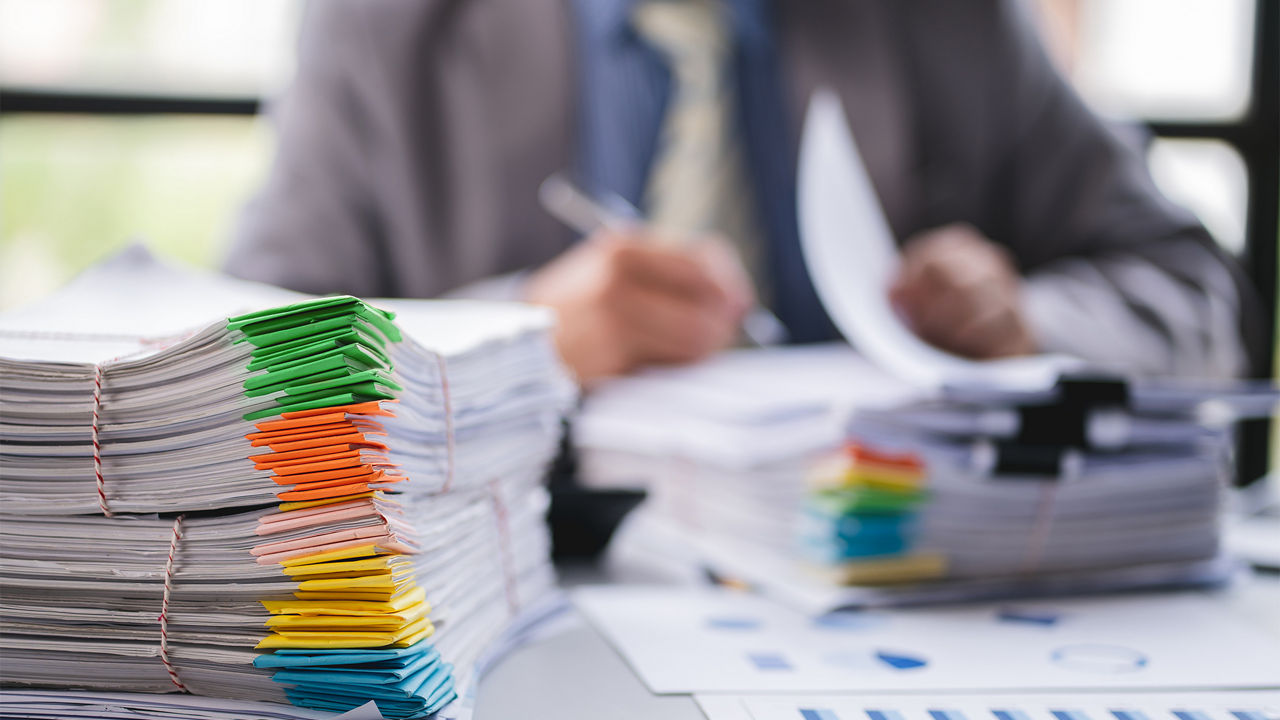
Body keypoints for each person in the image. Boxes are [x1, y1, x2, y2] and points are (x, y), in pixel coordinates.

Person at [225, 0, 1260, 385]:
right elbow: (235, 367)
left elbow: (1196, 291)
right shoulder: (386, 28)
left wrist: (1026, 320)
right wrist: (510, 345)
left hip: (890, 595)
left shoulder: (955, 21)